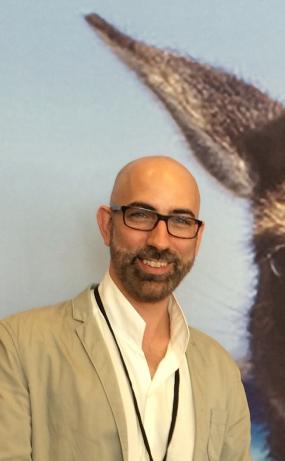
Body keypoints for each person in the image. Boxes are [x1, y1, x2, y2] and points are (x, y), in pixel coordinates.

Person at [0, 156, 252, 461]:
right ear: (108, 225)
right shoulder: (18, 346)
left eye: (181, 221)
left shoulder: (220, 370)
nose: (160, 240)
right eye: (142, 215)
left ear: (197, 239)